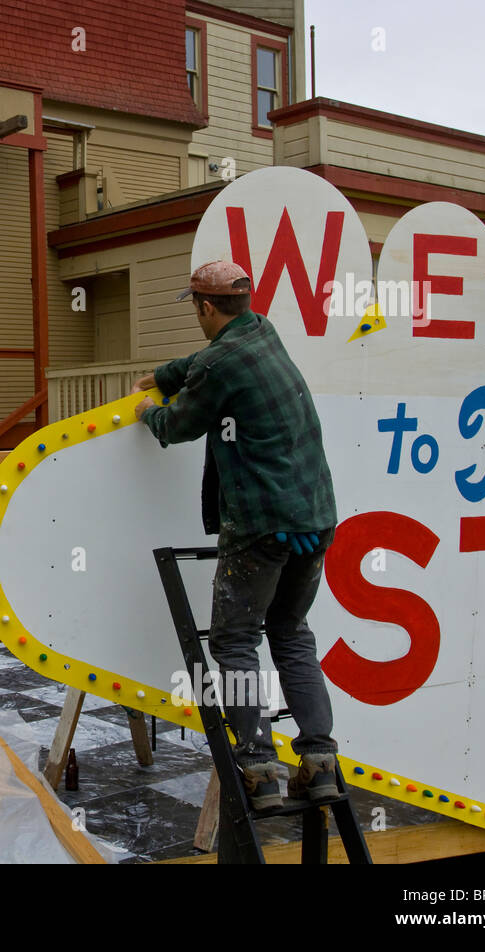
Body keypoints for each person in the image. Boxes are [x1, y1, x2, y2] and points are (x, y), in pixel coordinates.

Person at [134, 260, 339, 810]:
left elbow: (178, 427)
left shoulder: (222, 362)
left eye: (195, 309)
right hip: (315, 519)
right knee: (291, 632)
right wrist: (168, 374)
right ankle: (320, 762)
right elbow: (203, 364)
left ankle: (259, 766)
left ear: (204, 307)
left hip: (261, 526)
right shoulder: (263, 331)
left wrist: (149, 407)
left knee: (234, 642)